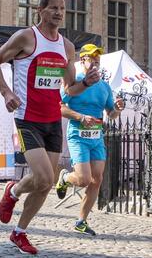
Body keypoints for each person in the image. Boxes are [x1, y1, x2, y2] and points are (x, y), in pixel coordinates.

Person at [0, 0, 98, 255]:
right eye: (54, 8)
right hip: (27, 118)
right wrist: (6, 92)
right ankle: (12, 192)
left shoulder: (67, 46)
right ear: (40, 10)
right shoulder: (26, 37)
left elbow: (69, 89)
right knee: (44, 176)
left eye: (63, 9)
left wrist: (85, 82)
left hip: (52, 120)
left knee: (45, 184)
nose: (59, 13)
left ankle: (19, 230)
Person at [54, 44, 125, 236]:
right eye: (91, 60)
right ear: (82, 60)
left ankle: (81, 221)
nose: (95, 64)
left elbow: (111, 114)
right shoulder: (73, 81)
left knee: (97, 179)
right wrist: (80, 117)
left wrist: (118, 108)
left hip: (96, 137)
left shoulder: (104, 87)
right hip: (78, 135)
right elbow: (59, 108)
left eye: (98, 61)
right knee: (84, 179)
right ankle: (65, 178)